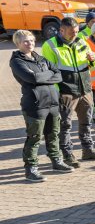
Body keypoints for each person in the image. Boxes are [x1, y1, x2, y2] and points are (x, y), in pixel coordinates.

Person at [41, 17, 95, 166]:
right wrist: (57, 93)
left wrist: (92, 58)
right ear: (61, 30)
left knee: (86, 122)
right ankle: (68, 155)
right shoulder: (50, 46)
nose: (75, 34)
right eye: (71, 32)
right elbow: (49, 72)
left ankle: (88, 150)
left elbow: (93, 61)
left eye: (76, 31)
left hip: (84, 88)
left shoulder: (81, 41)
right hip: (65, 91)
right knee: (65, 125)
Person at [12, 29, 71, 181]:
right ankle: (31, 168)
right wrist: (47, 75)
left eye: (31, 40)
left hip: (52, 103)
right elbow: (32, 78)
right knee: (34, 137)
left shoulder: (41, 59)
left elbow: (58, 74)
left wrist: (42, 77)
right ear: (18, 43)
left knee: (53, 135)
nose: (30, 43)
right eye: (26, 41)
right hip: (35, 105)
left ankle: (56, 161)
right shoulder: (17, 61)